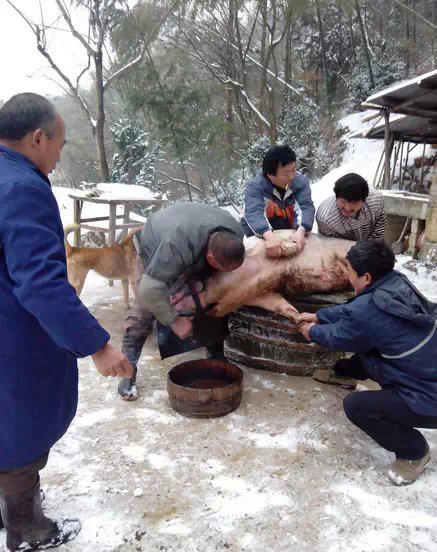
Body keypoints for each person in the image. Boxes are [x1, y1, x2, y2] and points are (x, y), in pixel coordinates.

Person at [0, 93, 132, 551]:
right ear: (38, 138)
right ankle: (27, 531)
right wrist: (96, 344)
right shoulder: (23, 188)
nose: (58, 155)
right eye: (59, 144)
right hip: (15, 338)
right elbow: (40, 284)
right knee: (19, 431)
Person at [298, 241, 437, 485]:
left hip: (430, 397)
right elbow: (357, 311)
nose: (347, 274)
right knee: (371, 345)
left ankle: (414, 452)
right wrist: (320, 316)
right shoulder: (395, 282)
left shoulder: (369, 313)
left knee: (357, 406)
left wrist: (312, 331)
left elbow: (341, 335)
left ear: (367, 276)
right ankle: (344, 373)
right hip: (428, 365)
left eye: (350, 270)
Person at [118, 201, 245, 401]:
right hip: (154, 247)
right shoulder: (174, 246)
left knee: (209, 297)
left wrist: (196, 287)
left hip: (191, 243)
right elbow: (150, 290)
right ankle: (128, 370)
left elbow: (209, 274)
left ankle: (216, 355)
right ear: (211, 257)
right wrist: (174, 320)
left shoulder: (236, 232)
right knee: (145, 309)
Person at [240, 145, 315, 258]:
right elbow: (254, 212)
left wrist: (302, 230)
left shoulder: (300, 182)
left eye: (294, 170)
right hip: (260, 230)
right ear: (270, 175)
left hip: (287, 225)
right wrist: (268, 235)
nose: (291, 177)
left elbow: (306, 206)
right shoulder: (255, 187)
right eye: (286, 173)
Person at [316, 173, 386, 241]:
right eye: (343, 201)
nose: (348, 208)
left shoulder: (376, 201)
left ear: (364, 200)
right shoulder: (326, 219)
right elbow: (333, 246)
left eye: (354, 202)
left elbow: (377, 235)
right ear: (336, 197)